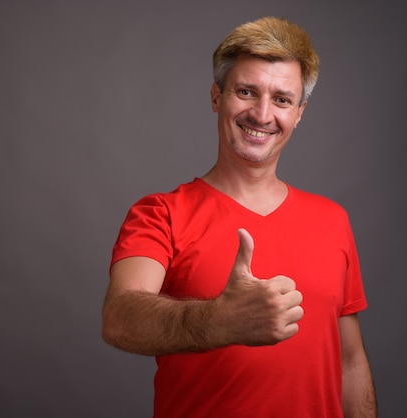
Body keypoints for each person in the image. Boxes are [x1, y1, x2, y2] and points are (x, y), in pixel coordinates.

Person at [101, 16, 377, 417]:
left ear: (299, 113)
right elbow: (120, 318)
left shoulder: (333, 220)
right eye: (246, 92)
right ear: (217, 97)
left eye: (282, 99)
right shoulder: (161, 213)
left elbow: (350, 360)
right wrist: (219, 320)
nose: (262, 114)